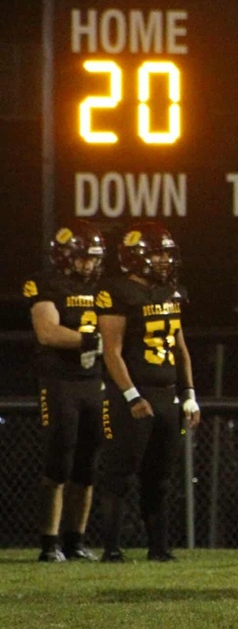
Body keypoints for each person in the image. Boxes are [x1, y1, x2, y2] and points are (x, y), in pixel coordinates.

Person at [96, 221, 201, 562]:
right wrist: (130, 395)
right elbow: (111, 350)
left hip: (166, 394)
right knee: (119, 476)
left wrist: (188, 394)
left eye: (165, 255)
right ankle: (111, 548)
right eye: (156, 255)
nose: (163, 262)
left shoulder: (171, 293)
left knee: (160, 479)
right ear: (135, 257)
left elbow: (180, 348)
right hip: (131, 398)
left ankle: (159, 548)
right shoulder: (116, 291)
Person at [22, 220, 107, 562]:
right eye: (82, 257)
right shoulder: (45, 285)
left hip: (93, 382)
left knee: (87, 466)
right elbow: (47, 332)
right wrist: (93, 340)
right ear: (64, 256)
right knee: (59, 461)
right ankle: (49, 542)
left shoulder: (105, 288)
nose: (88, 264)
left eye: (93, 258)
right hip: (60, 382)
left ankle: (76, 540)